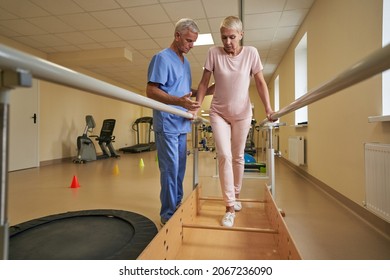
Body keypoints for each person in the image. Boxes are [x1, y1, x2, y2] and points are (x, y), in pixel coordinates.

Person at [194, 16, 274, 227]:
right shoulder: (213, 53)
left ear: (241, 34)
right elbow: (204, 83)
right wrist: (196, 106)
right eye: (224, 37)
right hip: (218, 112)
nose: (227, 42)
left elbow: (259, 82)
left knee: (238, 156)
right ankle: (229, 206)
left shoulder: (251, 53)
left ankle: (236, 196)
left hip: (242, 113)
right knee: (224, 156)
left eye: (231, 37)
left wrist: (268, 109)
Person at [146, 18, 213, 226]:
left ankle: (176, 205)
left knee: (180, 168)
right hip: (167, 123)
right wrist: (179, 102)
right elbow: (151, 90)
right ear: (177, 36)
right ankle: (167, 214)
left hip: (182, 124)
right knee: (170, 169)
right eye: (189, 41)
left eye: (193, 41)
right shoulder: (162, 58)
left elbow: (184, 90)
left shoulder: (184, 63)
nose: (191, 46)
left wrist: (207, 90)